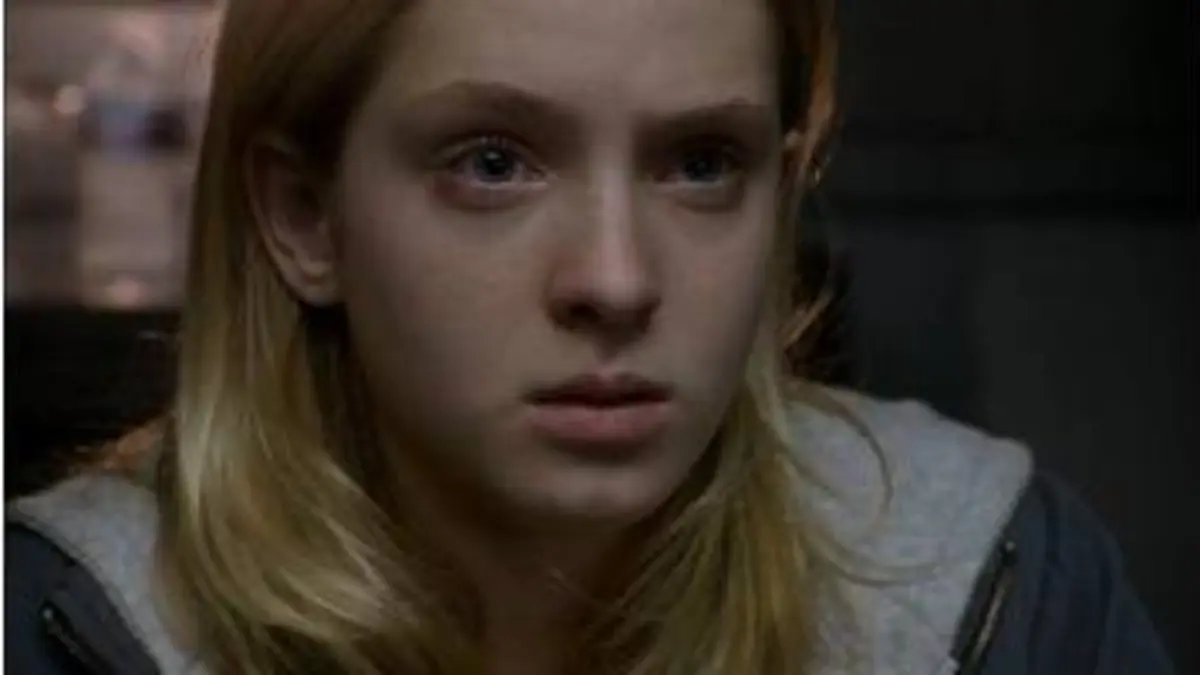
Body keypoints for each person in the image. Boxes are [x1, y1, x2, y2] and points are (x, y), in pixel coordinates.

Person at [5, 0, 1175, 673]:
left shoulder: (1004, 589)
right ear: (305, 217)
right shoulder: (60, 627)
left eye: (702, 164)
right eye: (492, 164)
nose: (617, 280)